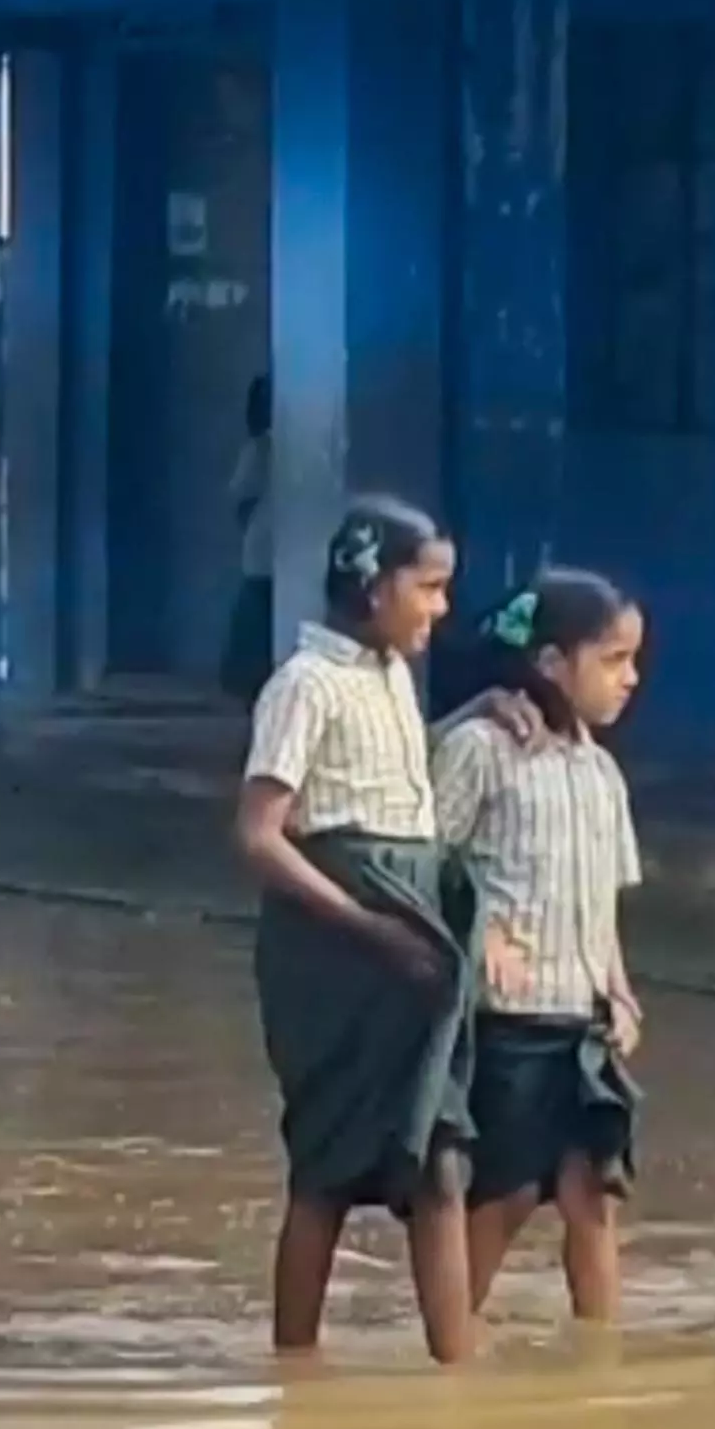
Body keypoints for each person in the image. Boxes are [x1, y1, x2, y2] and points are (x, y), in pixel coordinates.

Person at [234, 496, 483, 1363]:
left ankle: (460, 1374)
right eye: (430, 587)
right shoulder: (304, 685)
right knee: (328, 1170)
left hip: (409, 949)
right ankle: (292, 1369)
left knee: (440, 1156)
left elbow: (396, 786)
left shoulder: (388, 680)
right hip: (333, 957)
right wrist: (367, 926)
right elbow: (260, 833)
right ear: (375, 588)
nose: (441, 608)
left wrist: (488, 710)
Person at [434, 568, 651, 1325]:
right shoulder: (480, 750)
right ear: (552, 663)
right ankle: (446, 1349)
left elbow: (603, 908)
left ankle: (602, 1365)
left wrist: (620, 992)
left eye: (633, 661)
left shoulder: (601, 774)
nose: (631, 679)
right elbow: (421, 862)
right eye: (614, 660)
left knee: (592, 1196)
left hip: (583, 1019)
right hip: (511, 1021)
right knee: (506, 1196)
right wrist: (480, 929)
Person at [218, 376, 278, 699]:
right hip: (274, 553)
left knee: (254, 619)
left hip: (260, 552)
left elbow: (240, 495)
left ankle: (245, 681)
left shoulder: (258, 447)